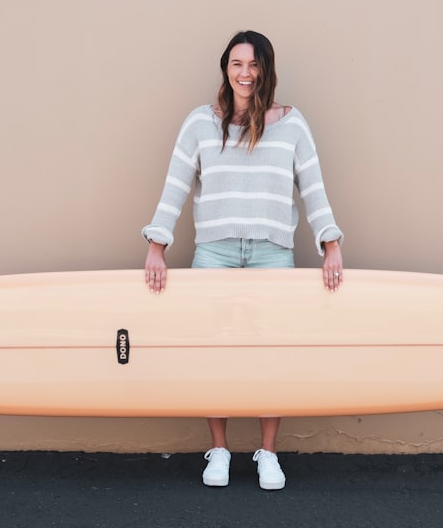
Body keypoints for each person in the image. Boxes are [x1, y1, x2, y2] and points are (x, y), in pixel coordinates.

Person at [141, 30, 344, 490]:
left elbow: (312, 187)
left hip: (272, 253)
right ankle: (219, 451)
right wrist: (158, 244)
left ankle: (268, 454)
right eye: (236, 64)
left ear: (266, 70)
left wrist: (330, 244)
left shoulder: (291, 125)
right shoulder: (200, 123)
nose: (245, 74)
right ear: (225, 68)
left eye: (253, 65)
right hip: (215, 250)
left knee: (273, 354)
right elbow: (176, 183)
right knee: (213, 352)